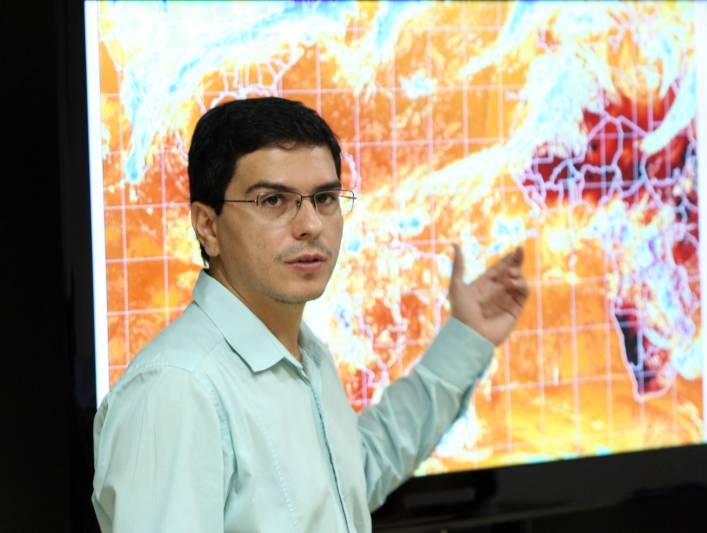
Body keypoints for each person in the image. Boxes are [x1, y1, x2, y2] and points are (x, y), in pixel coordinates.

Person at [91, 97, 529, 532]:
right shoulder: (178, 389)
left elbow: (349, 480)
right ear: (208, 227)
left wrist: (466, 336)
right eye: (272, 201)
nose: (311, 225)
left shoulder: (304, 356)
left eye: (324, 198)